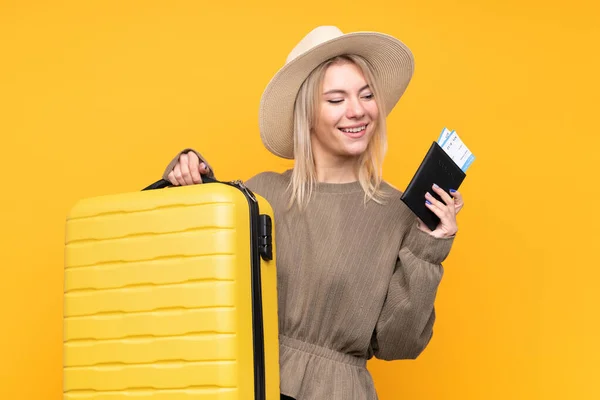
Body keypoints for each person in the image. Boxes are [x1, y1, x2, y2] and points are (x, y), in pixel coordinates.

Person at [161, 26, 464, 400]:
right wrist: (187, 179)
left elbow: (398, 344)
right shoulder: (261, 193)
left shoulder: (399, 215)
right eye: (336, 99)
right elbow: (190, 279)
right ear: (307, 115)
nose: (357, 110)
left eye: (366, 95)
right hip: (248, 384)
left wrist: (430, 243)